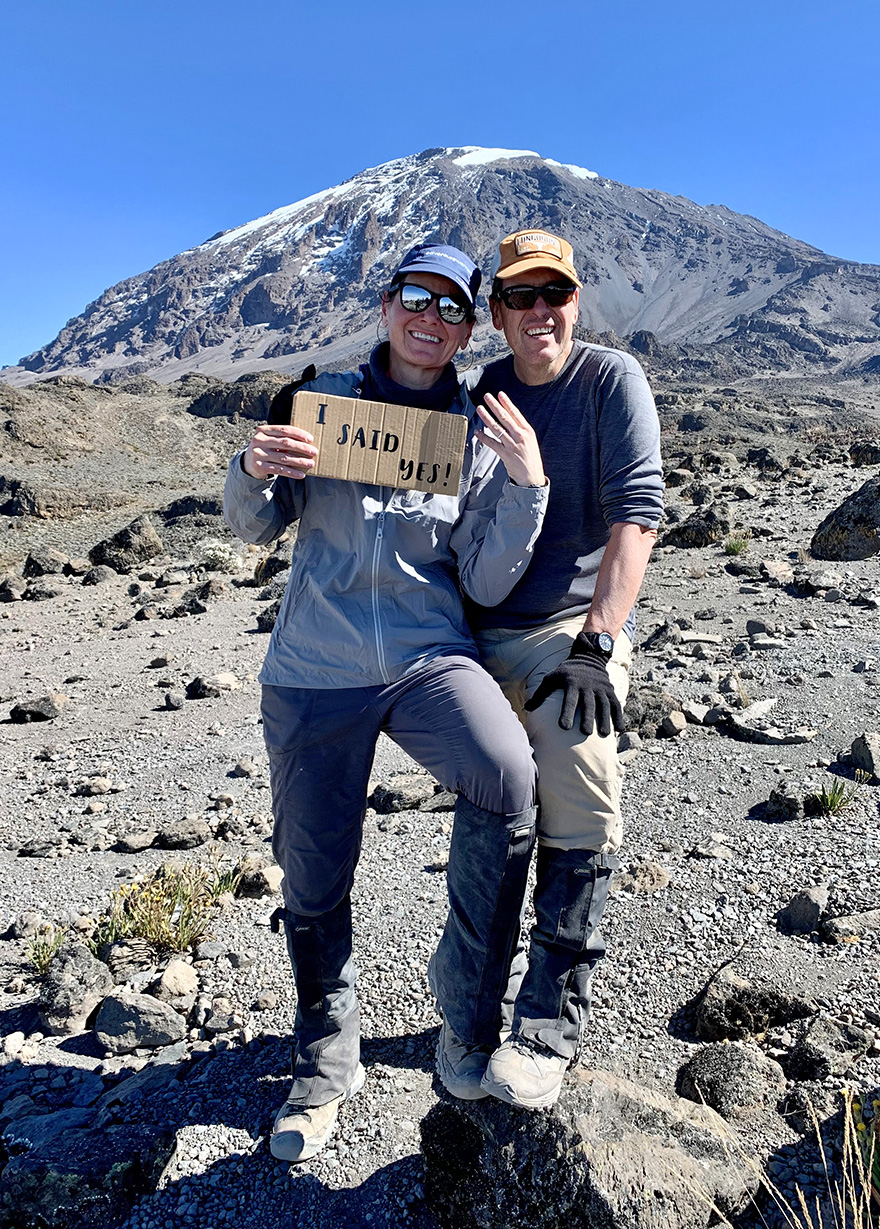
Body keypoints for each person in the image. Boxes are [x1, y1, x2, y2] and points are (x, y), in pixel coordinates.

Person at [223, 243, 549, 1161]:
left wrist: (525, 488)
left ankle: (466, 1009)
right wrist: (254, 466)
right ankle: (327, 1060)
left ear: (469, 326)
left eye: (452, 307)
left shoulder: (473, 428)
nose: (431, 318)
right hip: (314, 670)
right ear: (386, 304)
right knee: (314, 871)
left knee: (506, 776)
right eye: (417, 297)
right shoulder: (320, 399)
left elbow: (485, 578)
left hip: (424, 659)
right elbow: (252, 525)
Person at [462, 229, 664, 1109]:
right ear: (498, 313)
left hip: (564, 630)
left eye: (556, 295)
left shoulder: (611, 381)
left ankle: (547, 1022)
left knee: (577, 767)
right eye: (521, 298)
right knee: (493, 806)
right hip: (480, 630)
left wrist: (599, 642)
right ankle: (464, 1006)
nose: (540, 312)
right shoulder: (488, 390)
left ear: (576, 301)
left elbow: (636, 517)